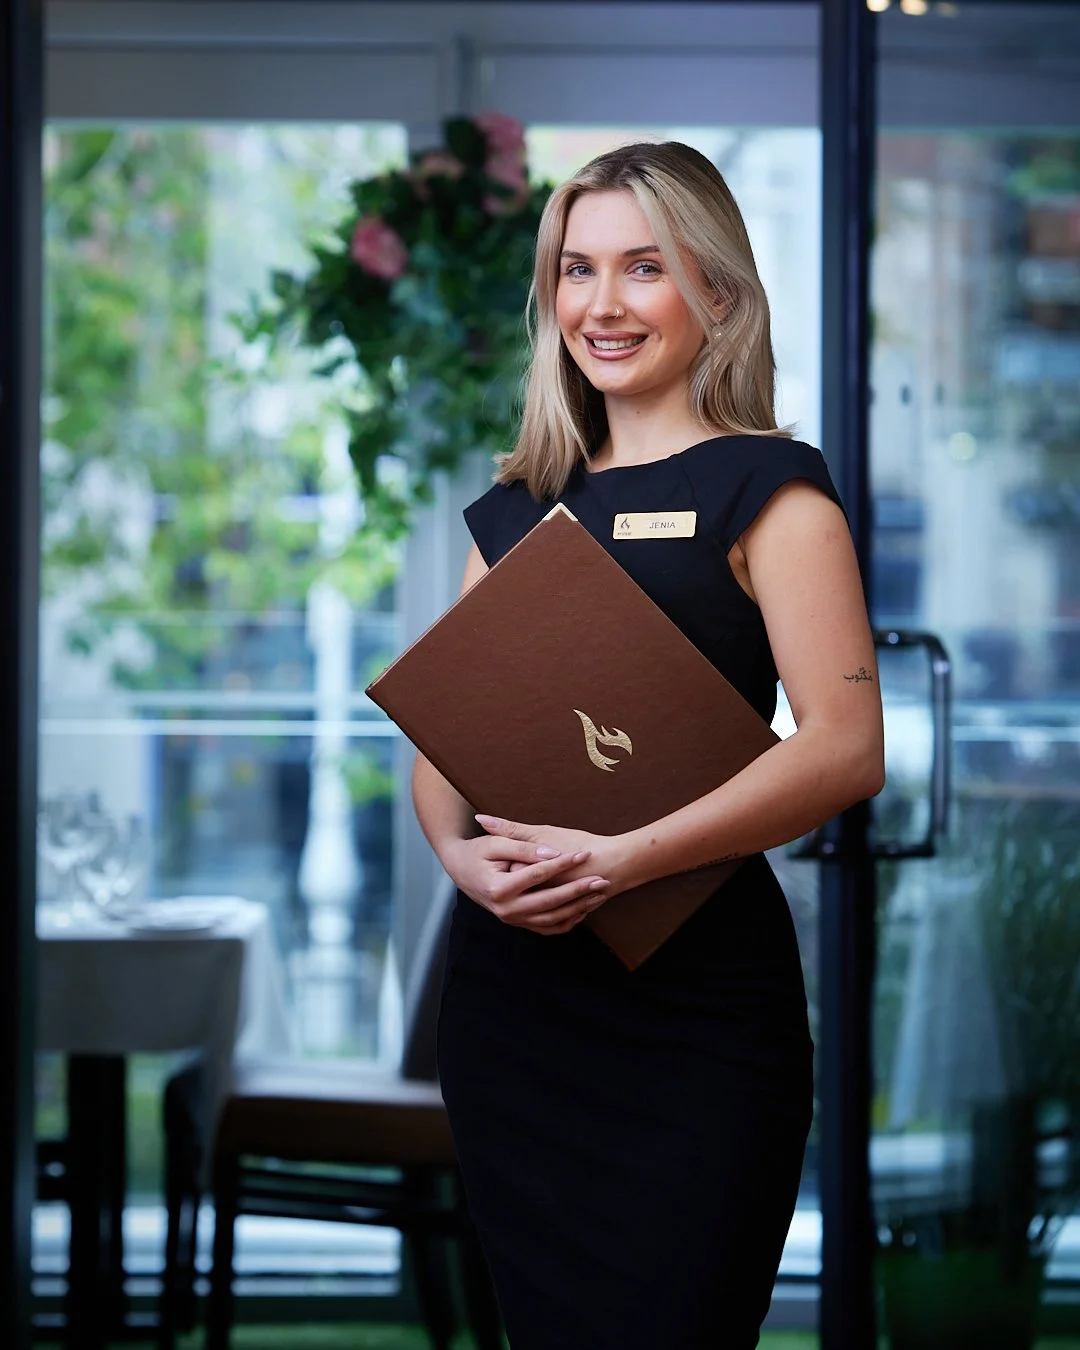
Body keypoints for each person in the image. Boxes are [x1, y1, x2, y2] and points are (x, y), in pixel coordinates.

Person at [412, 140, 884, 1350]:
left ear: (715, 292)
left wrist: (628, 858)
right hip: (518, 1015)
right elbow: (444, 748)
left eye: (643, 268)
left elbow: (843, 750)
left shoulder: (774, 493)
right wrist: (461, 866)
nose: (602, 305)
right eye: (577, 270)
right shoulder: (521, 504)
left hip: (697, 1020)